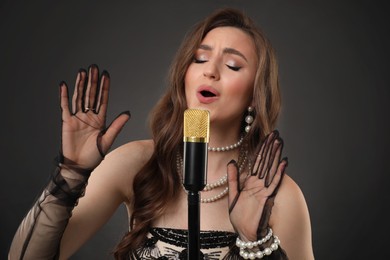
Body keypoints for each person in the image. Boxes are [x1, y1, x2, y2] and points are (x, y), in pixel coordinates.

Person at [9, 7, 314, 260]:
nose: (210, 71)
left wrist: (255, 241)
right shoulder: (136, 162)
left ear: (254, 95)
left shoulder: (280, 196)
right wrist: (71, 172)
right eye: (200, 58)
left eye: (233, 65)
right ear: (185, 74)